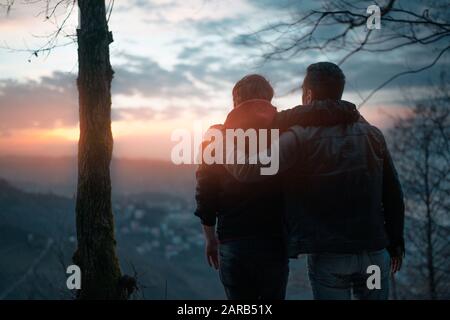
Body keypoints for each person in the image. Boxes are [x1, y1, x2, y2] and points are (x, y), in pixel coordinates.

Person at [223, 63, 405, 300]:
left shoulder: (301, 137)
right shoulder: (372, 134)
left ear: (307, 95)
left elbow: (247, 170)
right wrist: (396, 243)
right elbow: (392, 193)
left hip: (331, 258)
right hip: (375, 253)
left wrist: (223, 140)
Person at [194, 74, 359, 299]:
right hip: (273, 240)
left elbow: (206, 192)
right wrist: (346, 110)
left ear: (235, 103)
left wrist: (210, 238)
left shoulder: (216, 137)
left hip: (233, 240)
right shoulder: (283, 131)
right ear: (269, 101)